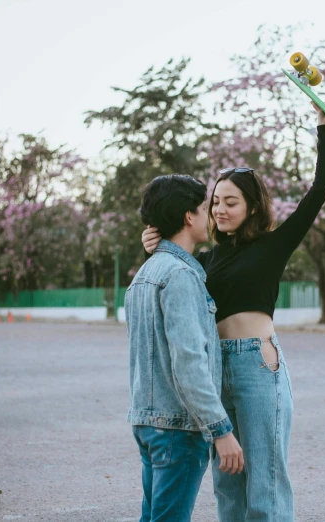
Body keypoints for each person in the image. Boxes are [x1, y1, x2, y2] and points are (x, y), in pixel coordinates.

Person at [141, 104, 325, 521]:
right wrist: (153, 241)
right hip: (216, 368)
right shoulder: (204, 259)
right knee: (227, 482)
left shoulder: (273, 245)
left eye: (231, 202)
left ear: (252, 205)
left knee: (264, 479)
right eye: (214, 204)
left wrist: (324, 129)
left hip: (256, 363)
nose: (220, 210)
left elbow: (319, 190)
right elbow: (174, 269)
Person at [126, 174, 244, 522]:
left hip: (148, 420)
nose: (212, 214)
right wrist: (221, 430)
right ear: (188, 217)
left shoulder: (145, 274)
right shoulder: (180, 276)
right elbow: (188, 362)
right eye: (206, 207)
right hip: (179, 428)